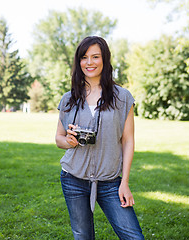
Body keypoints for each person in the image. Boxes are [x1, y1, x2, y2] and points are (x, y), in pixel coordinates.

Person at [55, 36, 144, 240]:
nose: (89, 62)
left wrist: (125, 182)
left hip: (110, 181)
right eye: (84, 57)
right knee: (83, 237)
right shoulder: (69, 99)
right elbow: (58, 139)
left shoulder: (122, 97)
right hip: (73, 179)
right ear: (78, 62)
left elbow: (128, 140)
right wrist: (68, 140)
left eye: (95, 56)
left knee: (134, 236)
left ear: (105, 59)